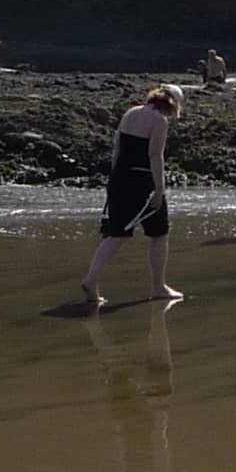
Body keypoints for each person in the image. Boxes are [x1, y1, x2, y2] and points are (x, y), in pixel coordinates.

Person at [81, 85, 185, 310]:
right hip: (143, 181)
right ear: (172, 104)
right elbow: (155, 156)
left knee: (116, 233)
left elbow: (117, 148)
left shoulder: (131, 113)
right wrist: (160, 189)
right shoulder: (159, 121)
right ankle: (159, 287)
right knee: (159, 233)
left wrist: (114, 178)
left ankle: (91, 278)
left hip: (119, 177)